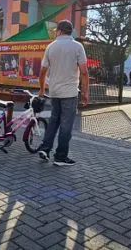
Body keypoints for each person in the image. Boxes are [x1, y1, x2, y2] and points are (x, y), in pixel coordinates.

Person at [37, 20, 89, 166]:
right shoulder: (77, 47)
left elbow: (42, 72)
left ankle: (45, 149)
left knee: (54, 121)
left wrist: (42, 89)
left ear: (59, 31)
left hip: (54, 92)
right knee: (66, 125)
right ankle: (60, 157)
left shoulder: (51, 47)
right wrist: (85, 92)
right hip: (70, 93)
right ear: (70, 31)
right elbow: (84, 72)